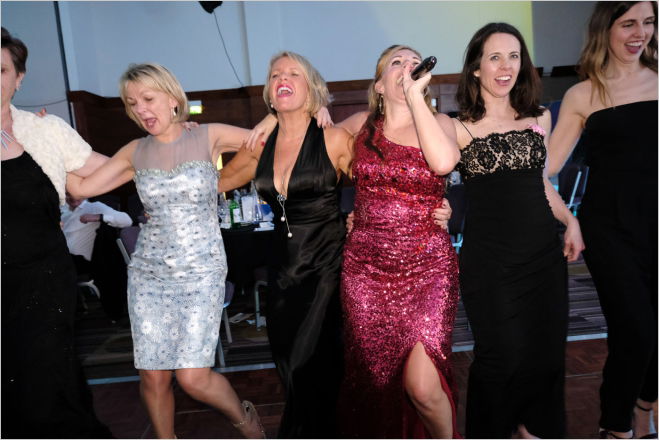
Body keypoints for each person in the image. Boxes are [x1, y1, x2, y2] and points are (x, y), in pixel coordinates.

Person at [66, 62, 266, 439]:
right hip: (149, 274)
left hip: (201, 270)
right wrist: (49, 139)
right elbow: (80, 188)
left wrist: (311, 113)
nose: (140, 109)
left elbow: (269, 138)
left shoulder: (208, 134)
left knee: (193, 378)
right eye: (132, 103)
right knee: (153, 375)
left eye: (148, 98)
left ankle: (245, 421)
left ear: (173, 98)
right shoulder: (134, 151)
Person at [446, 22, 585, 438]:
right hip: (490, 261)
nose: (506, 66)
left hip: (542, 256)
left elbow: (540, 184)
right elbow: (429, 177)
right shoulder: (457, 126)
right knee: (499, 357)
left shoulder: (538, 117)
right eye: (495, 57)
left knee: (545, 356)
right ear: (476, 68)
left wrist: (570, 220)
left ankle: (533, 430)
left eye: (514, 56)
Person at [219, 51, 353, 438]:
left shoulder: (333, 137)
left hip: (328, 268)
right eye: (276, 74)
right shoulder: (259, 146)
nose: (283, 78)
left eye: (294, 73)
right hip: (281, 270)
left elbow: (378, 181)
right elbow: (217, 182)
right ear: (269, 91)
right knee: (288, 363)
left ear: (311, 87)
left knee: (315, 363)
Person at [332, 44, 461, 439]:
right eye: (397, 62)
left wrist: (415, 98)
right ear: (379, 85)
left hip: (427, 267)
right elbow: (309, 142)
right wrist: (308, 112)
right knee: (376, 380)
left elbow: (443, 163)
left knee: (422, 386)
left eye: (414, 62)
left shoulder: (440, 122)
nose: (408, 66)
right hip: (365, 271)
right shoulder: (361, 124)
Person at [546, 2, 657, 438]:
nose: (640, 33)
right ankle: (615, 426)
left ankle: (645, 404)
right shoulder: (583, 94)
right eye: (628, 24)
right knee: (636, 329)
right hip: (610, 229)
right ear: (605, 28)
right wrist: (568, 218)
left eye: (648, 22)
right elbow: (547, 168)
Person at [1, 27, 111, 438]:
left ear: (19, 78)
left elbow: (107, 168)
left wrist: (168, 145)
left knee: (47, 385)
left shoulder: (45, 131)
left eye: (1, 70)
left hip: (43, 284)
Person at [61, 192, 132, 274]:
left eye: (74, 193)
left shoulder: (94, 207)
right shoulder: (64, 214)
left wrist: (99, 217)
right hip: (64, 258)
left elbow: (127, 221)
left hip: (82, 264)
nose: (72, 197)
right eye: (68, 194)